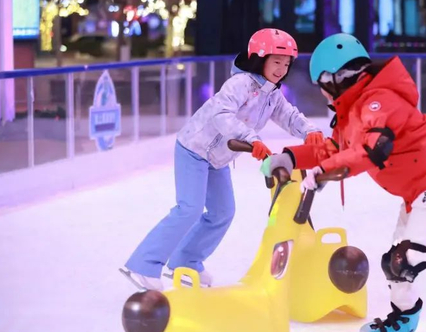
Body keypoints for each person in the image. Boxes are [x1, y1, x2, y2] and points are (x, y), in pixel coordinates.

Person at [261, 33, 426, 332]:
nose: (322, 93)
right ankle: (404, 317)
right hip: (419, 186)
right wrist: (291, 157)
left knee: (411, 258)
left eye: (322, 85)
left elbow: (371, 150)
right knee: (395, 261)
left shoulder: (379, 101)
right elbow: (335, 149)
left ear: (334, 78)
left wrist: (323, 172)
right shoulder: (355, 109)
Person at [122, 28, 324, 291]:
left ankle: (185, 262)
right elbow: (222, 115)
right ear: (259, 58)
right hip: (194, 148)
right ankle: (143, 264)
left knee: (222, 212)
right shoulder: (240, 84)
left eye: (286, 64)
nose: (281, 69)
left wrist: (310, 131)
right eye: (276, 62)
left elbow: (288, 115)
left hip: (218, 159)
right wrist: (251, 139)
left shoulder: (271, 93)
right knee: (189, 208)